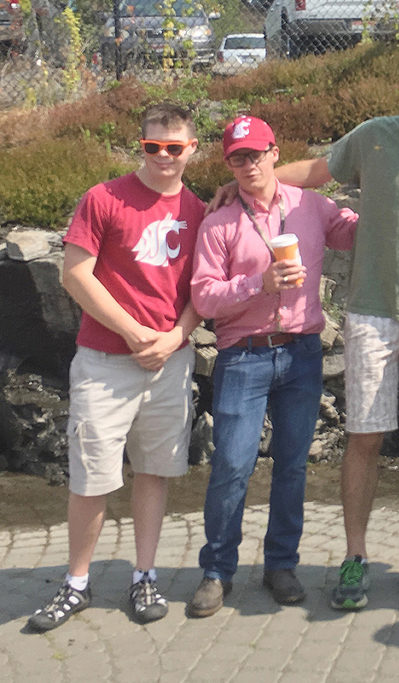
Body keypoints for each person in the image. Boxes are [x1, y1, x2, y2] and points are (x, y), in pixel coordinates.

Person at [215, 39, 399, 609]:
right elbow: (315, 170)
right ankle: (355, 555)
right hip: (370, 312)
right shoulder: (373, 135)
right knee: (364, 436)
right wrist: (252, 184)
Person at [27, 102, 204, 631]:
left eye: (175, 148)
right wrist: (133, 332)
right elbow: (75, 275)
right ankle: (76, 583)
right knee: (92, 477)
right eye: (153, 147)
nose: (164, 157)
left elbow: (201, 290)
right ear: (141, 145)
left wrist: (175, 336)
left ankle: (143, 575)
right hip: (107, 362)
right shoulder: (103, 199)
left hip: (169, 362)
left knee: (154, 472)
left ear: (191, 149)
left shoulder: (197, 210)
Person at [187, 116, 357, 617]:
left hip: (302, 352)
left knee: (292, 467)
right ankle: (217, 571)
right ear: (229, 164)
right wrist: (257, 285)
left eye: (256, 153)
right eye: (238, 157)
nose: (248, 164)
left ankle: (281, 564)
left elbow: (354, 234)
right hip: (244, 354)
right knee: (232, 466)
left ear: (274, 153)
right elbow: (204, 297)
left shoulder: (310, 205)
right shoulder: (218, 223)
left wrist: (391, 194)